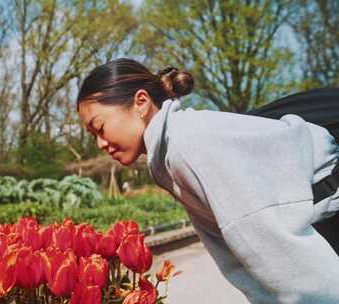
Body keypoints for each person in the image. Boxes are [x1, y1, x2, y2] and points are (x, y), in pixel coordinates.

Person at [76, 58, 339, 303]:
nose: (100, 143)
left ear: (141, 102)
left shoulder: (187, 143)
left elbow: (278, 251)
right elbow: (235, 255)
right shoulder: (169, 154)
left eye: (100, 128)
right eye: (92, 135)